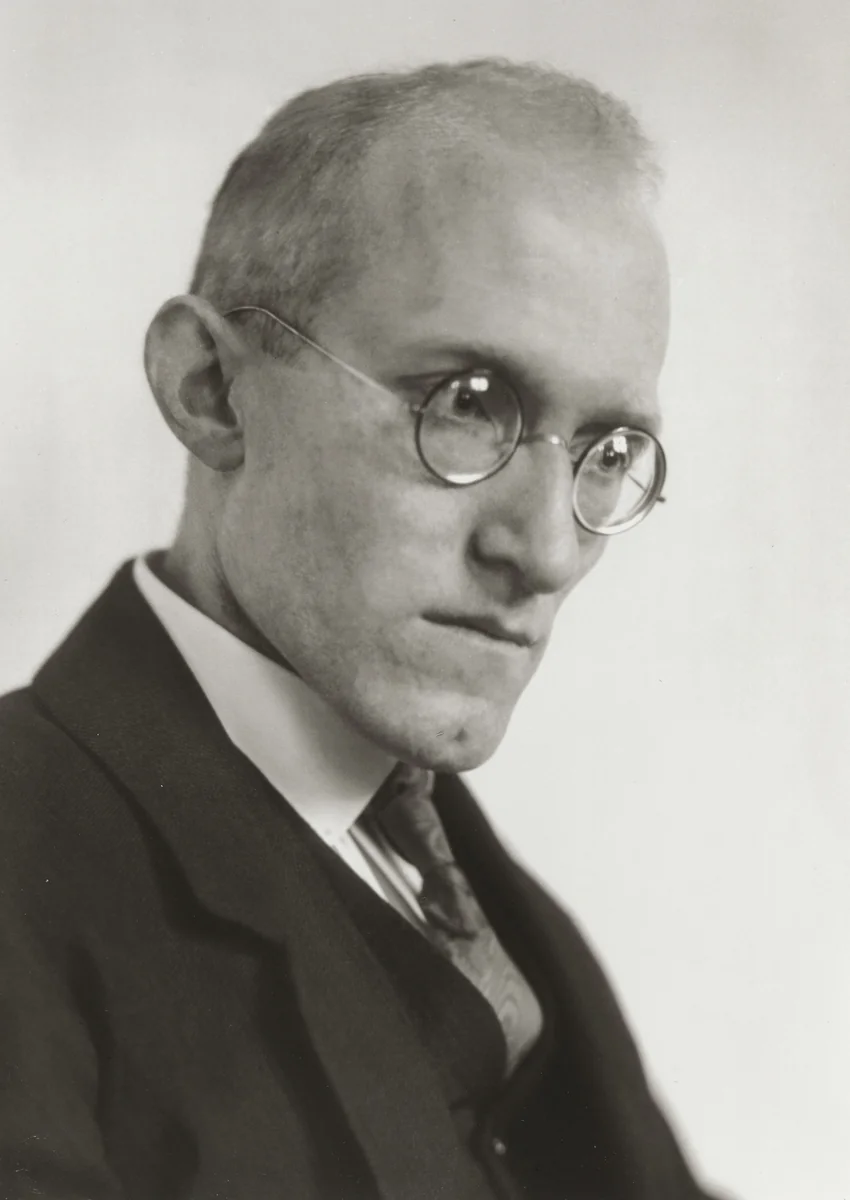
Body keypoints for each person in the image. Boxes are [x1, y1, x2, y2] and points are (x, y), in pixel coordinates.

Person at [0, 58, 721, 1200]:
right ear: (211, 390)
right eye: (469, 405)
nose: (543, 550)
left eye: (605, 454)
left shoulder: (460, 874)